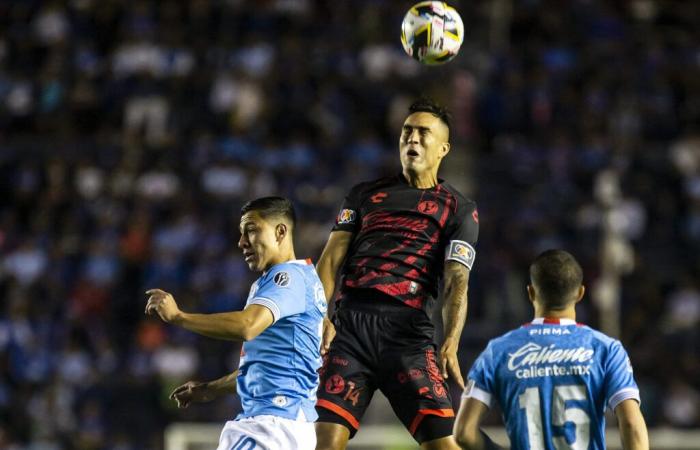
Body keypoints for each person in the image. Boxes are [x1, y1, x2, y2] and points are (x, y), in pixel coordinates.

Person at [315, 98, 479, 450]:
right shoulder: (363, 194)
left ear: (443, 149)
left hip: (408, 336)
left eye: (424, 132)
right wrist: (319, 316)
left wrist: (451, 339)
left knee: (444, 445)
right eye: (407, 131)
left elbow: (456, 281)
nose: (413, 139)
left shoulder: (459, 209)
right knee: (325, 443)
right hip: (350, 331)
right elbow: (329, 261)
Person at [145, 196, 326, 450]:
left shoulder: (287, 278)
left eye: (251, 231)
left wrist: (179, 317)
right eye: (241, 233)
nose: (241, 242)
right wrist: (209, 390)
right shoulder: (293, 279)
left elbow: (247, 326)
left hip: (273, 426)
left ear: (280, 231)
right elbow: (264, 368)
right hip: (282, 425)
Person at [454, 249, 649, 450]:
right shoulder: (606, 350)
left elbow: (463, 433)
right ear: (580, 293)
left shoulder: (498, 352)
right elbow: (632, 425)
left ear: (530, 292)